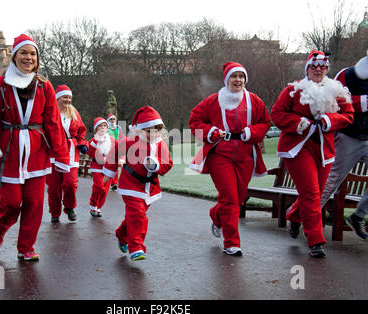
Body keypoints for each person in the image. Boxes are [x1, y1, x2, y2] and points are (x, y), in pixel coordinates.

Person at [0, 34, 70, 261]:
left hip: (36, 152)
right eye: (23, 53)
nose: (28, 57)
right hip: (9, 152)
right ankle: (1, 227)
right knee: (12, 201)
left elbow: (53, 122)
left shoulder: (44, 86)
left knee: (34, 203)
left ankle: (26, 247)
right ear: (14, 56)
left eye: (33, 54)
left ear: (37, 59)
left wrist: (60, 154)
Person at [271, 50, 354, 257]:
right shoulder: (293, 90)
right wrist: (297, 123)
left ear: (327, 69)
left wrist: (329, 120)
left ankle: (294, 215)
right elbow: (277, 114)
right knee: (311, 193)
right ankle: (315, 241)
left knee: (315, 194)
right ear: (307, 68)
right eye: (314, 66)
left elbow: (348, 115)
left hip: (324, 149)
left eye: (323, 67)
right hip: (298, 148)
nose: (318, 70)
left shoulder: (337, 90)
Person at [189, 61, 270, 256]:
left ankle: (217, 215)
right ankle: (231, 242)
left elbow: (265, 123)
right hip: (220, 154)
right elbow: (195, 121)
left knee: (239, 198)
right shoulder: (213, 100)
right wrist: (211, 131)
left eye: (241, 76)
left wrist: (252, 132)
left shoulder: (254, 101)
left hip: (245, 155)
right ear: (227, 79)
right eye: (234, 76)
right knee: (230, 197)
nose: (238, 80)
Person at [102, 106, 173, 261]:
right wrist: (108, 173)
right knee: (138, 216)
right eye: (148, 131)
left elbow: (168, 164)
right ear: (139, 130)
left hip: (150, 188)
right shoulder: (129, 142)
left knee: (134, 217)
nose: (153, 134)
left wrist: (155, 165)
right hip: (130, 185)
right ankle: (136, 248)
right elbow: (114, 153)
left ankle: (121, 234)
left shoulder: (161, 145)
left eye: (156, 131)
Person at [320, 51, 368, 241]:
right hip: (348, 135)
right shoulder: (348, 75)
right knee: (331, 181)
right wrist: (363, 102)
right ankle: (302, 216)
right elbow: (333, 102)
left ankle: (358, 216)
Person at [46, 85, 88, 223]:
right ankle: (55, 212)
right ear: (57, 98)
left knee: (70, 183)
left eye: (70, 97)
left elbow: (81, 131)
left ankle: (69, 207)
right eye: (65, 97)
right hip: (54, 153)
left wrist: (82, 143)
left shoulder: (74, 113)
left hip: (70, 153)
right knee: (53, 186)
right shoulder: (50, 112)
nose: (68, 100)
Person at [87, 117, 116, 217]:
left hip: (108, 168)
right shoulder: (93, 140)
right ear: (96, 128)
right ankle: (93, 206)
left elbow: (119, 150)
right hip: (97, 167)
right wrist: (96, 141)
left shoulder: (112, 140)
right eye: (100, 126)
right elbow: (90, 153)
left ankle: (98, 208)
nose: (103, 127)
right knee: (99, 187)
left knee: (105, 190)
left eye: (104, 125)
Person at [107, 113, 124, 190]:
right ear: (108, 120)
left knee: (115, 166)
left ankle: (114, 183)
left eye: (114, 119)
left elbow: (121, 137)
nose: (112, 121)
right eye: (111, 119)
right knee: (108, 165)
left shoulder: (118, 128)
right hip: (108, 148)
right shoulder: (105, 127)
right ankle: (108, 181)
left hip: (117, 148)